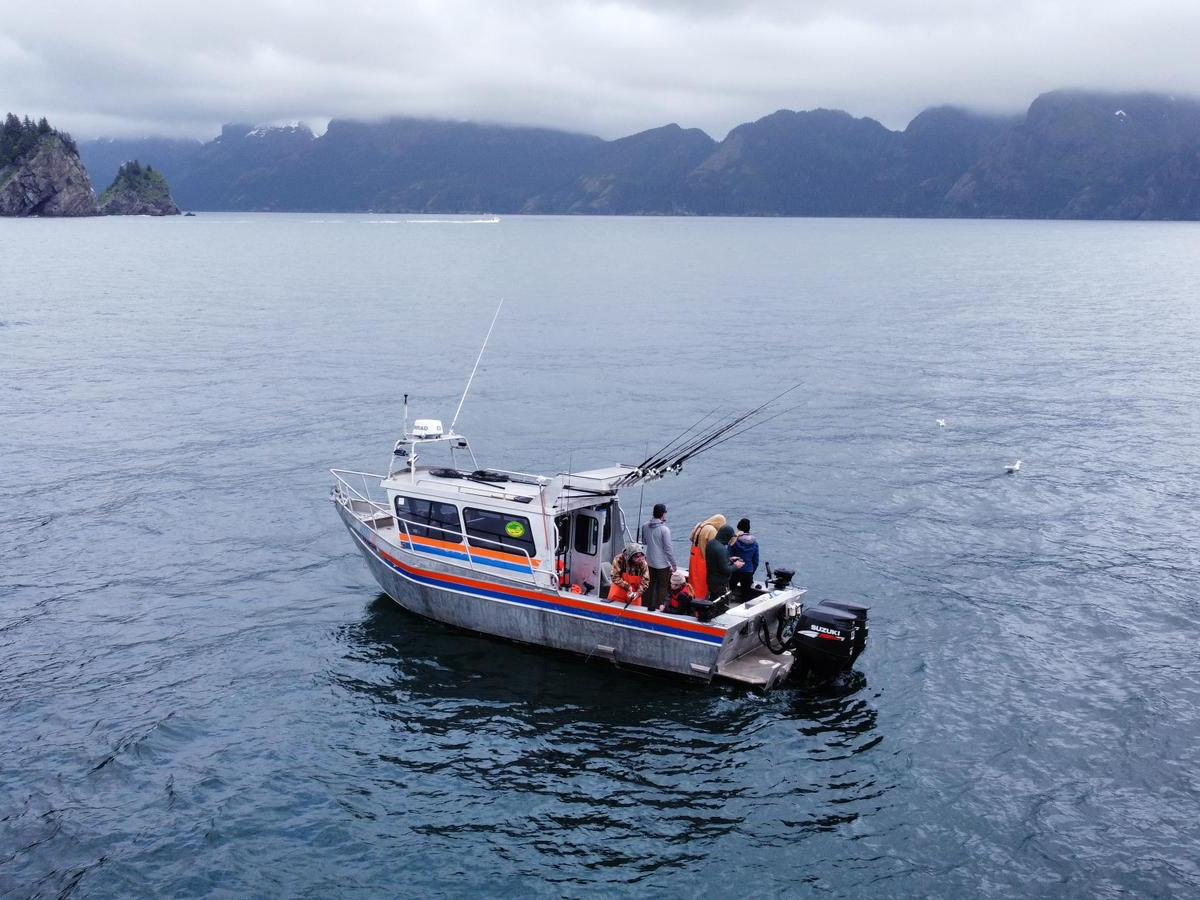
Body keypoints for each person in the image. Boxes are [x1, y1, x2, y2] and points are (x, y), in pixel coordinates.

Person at [640, 503, 677, 612]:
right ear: (662, 514)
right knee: (662, 587)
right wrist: (673, 564)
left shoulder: (645, 526)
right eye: (665, 512)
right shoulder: (665, 530)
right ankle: (659, 608)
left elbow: (644, 542)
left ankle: (644, 606)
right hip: (662, 564)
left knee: (649, 585)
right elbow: (668, 549)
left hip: (649, 561)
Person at [688, 514, 726, 600]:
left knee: (693, 582)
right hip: (702, 559)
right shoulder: (712, 530)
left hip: (693, 558)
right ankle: (700, 604)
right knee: (701, 584)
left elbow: (691, 538)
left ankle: (692, 600)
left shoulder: (700, 525)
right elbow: (713, 547)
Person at [705, 524, 743, 601]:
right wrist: (736, 565)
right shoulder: (722, 549)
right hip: (720, 583)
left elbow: (716, 560)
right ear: (727, 536)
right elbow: (726, 570)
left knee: (713, 599)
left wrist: (729, 559)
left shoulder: (711, 543)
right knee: (721, 603)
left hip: (711, 579)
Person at [728, 517, 760, 595]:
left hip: (735, 570)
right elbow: (755, 561)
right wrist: (752, 571)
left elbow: (728, 556)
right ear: (748, 528)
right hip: (748, 571)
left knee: (729, 591)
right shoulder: (755, 543)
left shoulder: (734, 541)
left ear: (738, 528)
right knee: (746, 594)